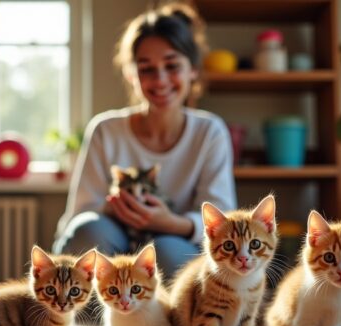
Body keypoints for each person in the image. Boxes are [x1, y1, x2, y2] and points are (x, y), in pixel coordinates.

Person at [53, 2, 237, 283]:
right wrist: (113, 210)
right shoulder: (106, 130)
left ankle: (164, 324)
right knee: (90, 231)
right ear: (131, 75)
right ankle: (89, 322)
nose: (160, 79)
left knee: (167, 251)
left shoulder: (209, 132)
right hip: (108, 245)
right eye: (146, 69)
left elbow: (223, 220)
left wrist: (169, 223)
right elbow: (80, 214)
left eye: (172, 66)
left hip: (173, 244)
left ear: (193, 70)